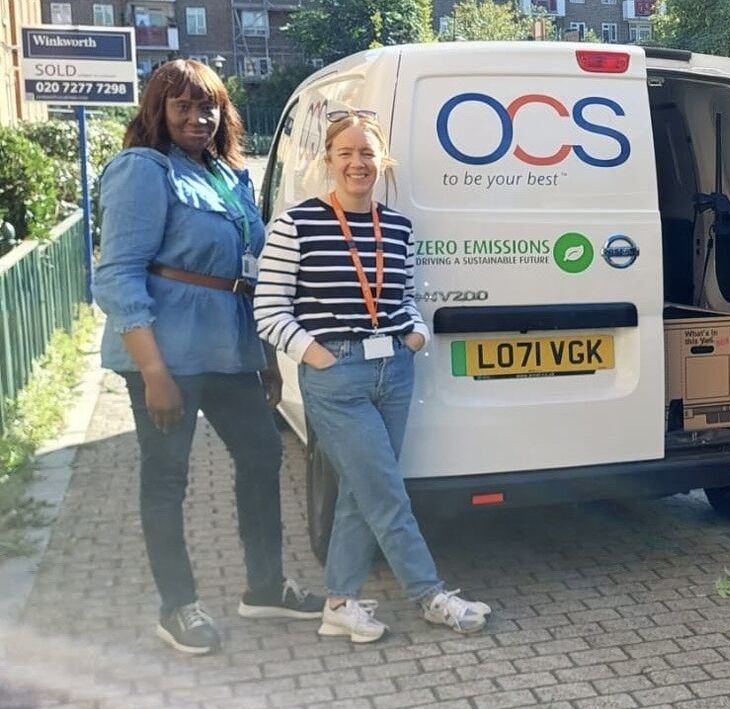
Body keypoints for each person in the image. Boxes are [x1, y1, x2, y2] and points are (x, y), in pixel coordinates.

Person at [93, 59, 323, 656]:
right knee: (167, 478)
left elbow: (252, 272)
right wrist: (152, 370)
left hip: (230, 348)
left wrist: (267, 357)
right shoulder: (143, 170)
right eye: (183, 107)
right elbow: (117, 275)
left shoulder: (228, 175)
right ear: (158, 112)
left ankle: (266, 586)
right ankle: (178, 606)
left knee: (262, 454)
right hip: (164, 353)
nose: (198, 117)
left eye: (208, 106)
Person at [254, 111, 489, 642]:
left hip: (394, 370)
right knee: (385, 492)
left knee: (363, 491)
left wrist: (416, 335)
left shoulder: (398, 226)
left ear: (383, 162)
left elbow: (403, 296)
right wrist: (316, 355)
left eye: (367, 153)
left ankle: (338, 604)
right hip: (336, 377)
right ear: (329, 160)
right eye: (346, 153)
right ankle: (429, 595)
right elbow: (269, 308)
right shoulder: (297, 223)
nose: (358, 163)